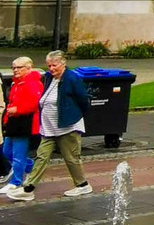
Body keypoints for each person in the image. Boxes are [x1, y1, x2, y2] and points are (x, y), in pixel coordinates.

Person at [7, 51, 91, 201]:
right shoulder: (49, 78)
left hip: (67, 126)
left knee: (71, 158)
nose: (51, 68)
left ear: (63, 63)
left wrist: (74, 115)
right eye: (49, 65)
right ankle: (28, 189)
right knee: (41, 157)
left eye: (55, 65)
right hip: (49, 128)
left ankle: (82, 185)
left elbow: (84, 100)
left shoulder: (72, 78)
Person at [1, 57, 43, 194]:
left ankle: (16, 182)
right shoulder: (16, 83)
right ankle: (31, 167)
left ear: (29, 68)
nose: (15, 70)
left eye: (19, 67)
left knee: (18, 154)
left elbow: (34, 104)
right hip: (14, 122)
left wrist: (17, 110)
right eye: (14, 68)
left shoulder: (33, 83)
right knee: (6, 151)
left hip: (25, 122)